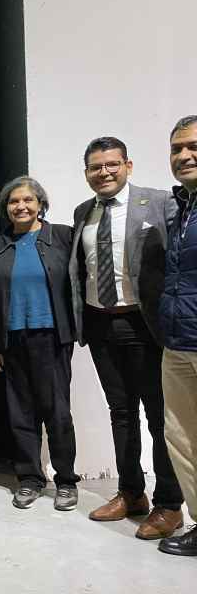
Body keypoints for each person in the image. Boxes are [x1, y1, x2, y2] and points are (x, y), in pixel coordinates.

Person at [69, 137, 183, 539]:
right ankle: (132, 493)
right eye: (95, 167)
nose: (104, 173)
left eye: (111, 164)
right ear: (86, 173)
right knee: (120, 413)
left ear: (127, 166)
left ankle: (169, 504)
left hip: (145, 325)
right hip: (101, 325)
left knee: (159, 417)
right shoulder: (83, 211)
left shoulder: (159, 202)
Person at [0, 176, 79, 510]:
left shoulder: (62, 236)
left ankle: (66, 481)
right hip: (12, 340)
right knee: (21, 414)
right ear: (5, 208)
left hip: (52, 337)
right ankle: (30, 479)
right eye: (13, 201)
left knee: (57, 413)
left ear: (40, 204)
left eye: (27, 200)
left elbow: (79, 282)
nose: (20, 206)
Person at [158, 115, 197, 557]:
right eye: (176, 149)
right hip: (176, 341)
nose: (184, 156)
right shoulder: (181, 206)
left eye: (193, 147)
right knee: (182, 439)